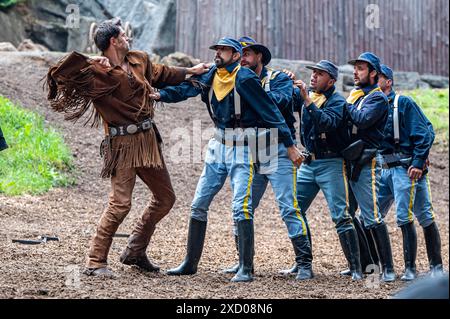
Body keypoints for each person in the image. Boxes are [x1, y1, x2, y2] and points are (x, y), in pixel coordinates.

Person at [46, 17, 209, 278]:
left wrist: (192, 71)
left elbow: (162, 73)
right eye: (123, 36)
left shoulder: (138, 59)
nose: (128, 38)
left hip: (147, 141)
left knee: (165, 198)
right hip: (121, 145)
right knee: (120, 204)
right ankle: (95, 261)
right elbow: (57, 76)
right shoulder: (95, 72)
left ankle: (135, 251)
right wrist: (88, 61)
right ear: (113, 40)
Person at [151, 37, 303, 282]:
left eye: (224, 50)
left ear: (236, 56)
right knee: (198, 202)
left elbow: (271, 112)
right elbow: (187, 89)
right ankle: (190, 263)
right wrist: (160, 95)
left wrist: (290, 145)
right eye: (217, 49)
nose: (218, 53)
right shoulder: (212, 74)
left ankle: (246, 268)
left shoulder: (245, 78)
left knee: (240, 206)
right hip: (217, 145)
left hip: (243, 148)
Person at [221, 36, 311, 280]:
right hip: (251, 151)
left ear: (259, 56)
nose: (244, 57)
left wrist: (253, 95)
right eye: (241, 53)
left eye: (248, 53)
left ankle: (304, 264)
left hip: (279, 149)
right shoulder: (236, 80)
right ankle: (242, 263)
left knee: (288, 208)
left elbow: (282, 102)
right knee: (243, 205)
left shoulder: (279, 78)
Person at [291, 60, 364, 280]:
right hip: (309, 163)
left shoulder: (337, 102)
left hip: (332, 163)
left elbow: (326, 123)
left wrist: (306, 100)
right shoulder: (309, 98)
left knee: (341, 216)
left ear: (331, 80)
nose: (313, 77)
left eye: (320, 74)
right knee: (295, 210)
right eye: (313, 73)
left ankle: (356, 268)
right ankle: (303, 264)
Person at [378, 64, 443, 280]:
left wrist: (417, 161)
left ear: (388, 81)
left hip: (404, 169)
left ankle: (419, 268)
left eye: (378, 77)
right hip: (381, 170)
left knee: (409, 216)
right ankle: (380, 266)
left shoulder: (402, 103)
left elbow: (425, 131)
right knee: (371, 216)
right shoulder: (370, 105)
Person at [345, 52, 395, 282]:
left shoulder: (377, 98)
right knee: (348, 214)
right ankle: (367, 265)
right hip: (351, 160)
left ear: (373, 73)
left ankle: (388, 270)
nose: (355, 72)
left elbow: (362, 120)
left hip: (367, 161)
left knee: (373, 217)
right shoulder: (356, 95)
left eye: (361, 68)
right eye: (355, 68)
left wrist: (341, 107)